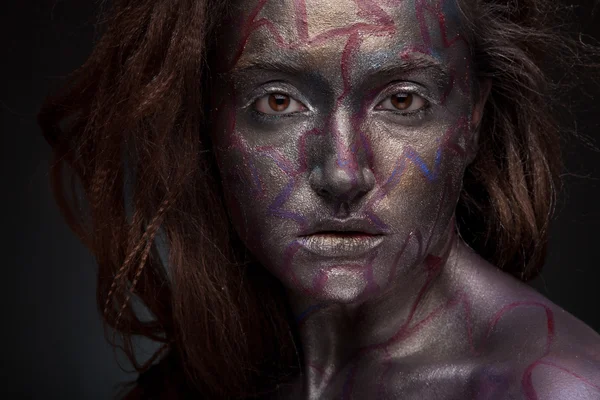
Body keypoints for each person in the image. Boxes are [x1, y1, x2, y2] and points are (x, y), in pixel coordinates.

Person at [39, 0, 600, 398]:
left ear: (472, 116)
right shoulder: (202, 379)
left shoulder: (554, 386)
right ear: (207, 122)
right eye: (278, 102)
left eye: (402, 100)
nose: (342, 172)